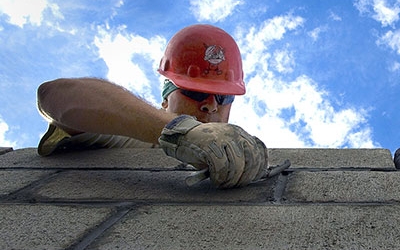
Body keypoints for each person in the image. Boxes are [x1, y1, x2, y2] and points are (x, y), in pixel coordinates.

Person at [36, 24, 268, 188]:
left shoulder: (238, 158)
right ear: (166, 98)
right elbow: (53, 95)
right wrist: (180, 131)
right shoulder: (127, 135)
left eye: (223, 97)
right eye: (194, 92)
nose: (210, 106)